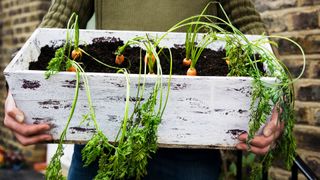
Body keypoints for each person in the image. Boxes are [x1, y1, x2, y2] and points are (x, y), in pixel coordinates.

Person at [4, 0, 284, 179]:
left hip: (191, 148)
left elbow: (248, 25)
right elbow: (62, 13)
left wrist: (274, 97)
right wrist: (19, 88)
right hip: (103, 140)